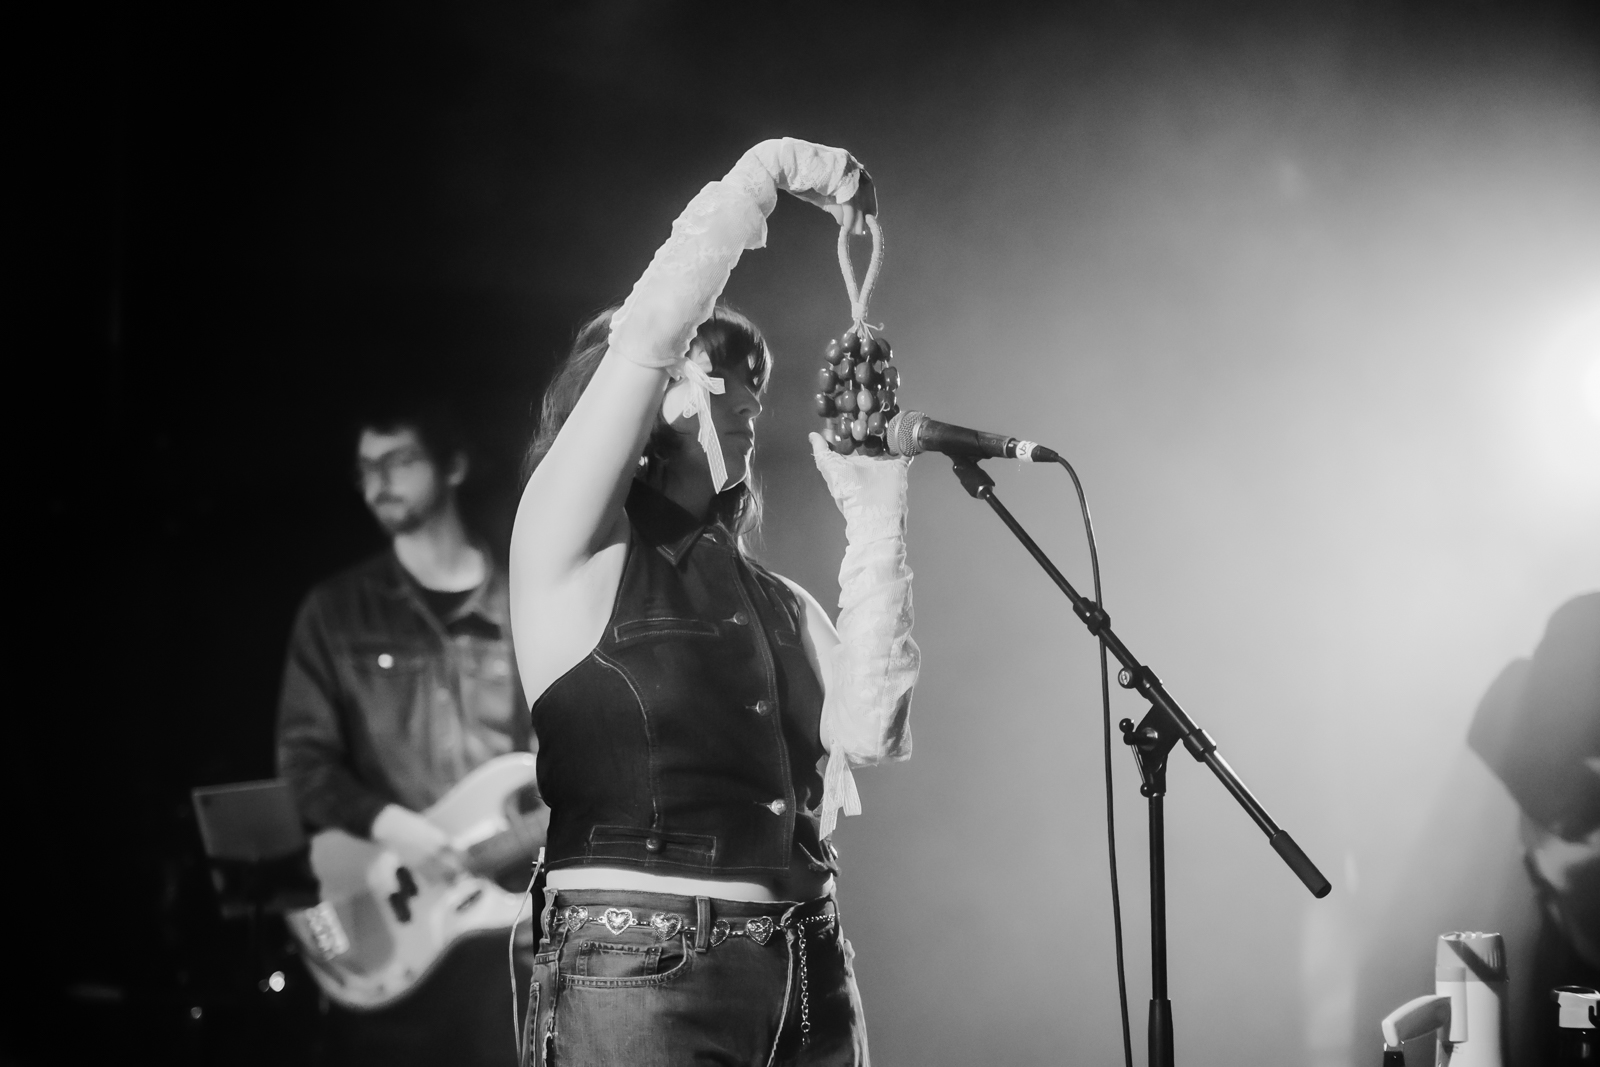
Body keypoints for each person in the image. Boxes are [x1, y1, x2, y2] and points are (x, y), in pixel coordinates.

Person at [511, 137, 917, 1066]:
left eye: (756, 380)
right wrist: (763, 176)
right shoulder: (569, 545)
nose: (748, 397)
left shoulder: (776, 601)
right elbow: (650, 331)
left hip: (810, 971)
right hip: (640, 970)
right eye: (720, 369)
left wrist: (876, 516)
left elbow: (873, 729)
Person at [276, 396, 535, 1066]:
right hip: (386, 915)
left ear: (454, 465)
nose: (379, 482)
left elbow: (556, 760)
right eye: (366, 467)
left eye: (399, 460)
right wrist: (400, 829)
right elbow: (304, 764)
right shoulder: (335, 611)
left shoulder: (524, 605)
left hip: (505, 934)